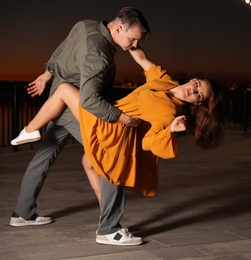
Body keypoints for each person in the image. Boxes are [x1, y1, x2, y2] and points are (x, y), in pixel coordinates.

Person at [11, 46, 225, 246]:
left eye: (199, 95)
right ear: (193, 79)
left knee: (65, 90)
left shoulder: (169, 113)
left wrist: (170, 130)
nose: (193, 91)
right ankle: (106, 219)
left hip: (112, 125)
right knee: (89, 163)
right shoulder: (165, 80)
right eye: (197, 86)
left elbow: (149, 142)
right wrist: (131, 43)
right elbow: (143, 60)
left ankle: (29, 131)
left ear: (197, 103)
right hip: (109, 112)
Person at [10, 6, 150, 244]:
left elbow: (62, 49)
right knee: (110, 157)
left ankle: (22, 214)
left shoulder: (85, 24)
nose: (134, 45)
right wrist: (122, 117)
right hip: (77, 111)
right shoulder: (100, 55)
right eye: (132, 38)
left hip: (58, 103)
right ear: (117, 28)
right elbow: (89, 100)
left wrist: (46, 75)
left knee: (42, 158)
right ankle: (109, 229)